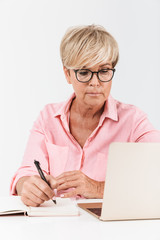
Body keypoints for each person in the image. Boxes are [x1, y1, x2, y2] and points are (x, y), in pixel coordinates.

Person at [10, 24, 160, 207]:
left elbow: (155, 176)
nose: (95, 82)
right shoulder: (48, 117)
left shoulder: (133, 121)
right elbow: (24, 174)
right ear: (67, 74)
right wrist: (27, 186)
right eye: (84, 72)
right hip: (54, 227)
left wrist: (98, 188)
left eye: (104, 71)